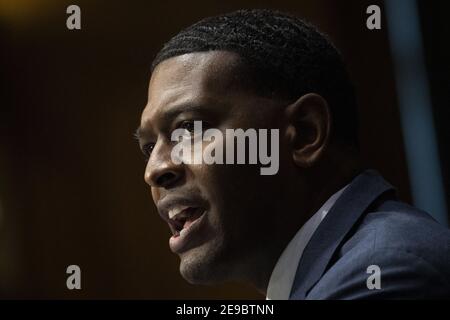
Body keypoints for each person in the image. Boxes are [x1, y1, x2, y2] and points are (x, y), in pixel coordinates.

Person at [135, 9, 450, 299]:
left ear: (304, 133)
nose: (155, 169)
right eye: (149, 147)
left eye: (188, 128)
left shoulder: (387, 273)